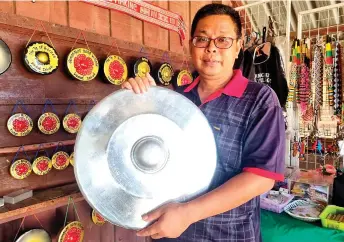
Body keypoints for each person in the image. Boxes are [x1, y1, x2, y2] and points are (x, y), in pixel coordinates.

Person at [121, 3, 285, 242]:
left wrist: (187, 214)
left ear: (239, 47)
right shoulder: (173, 99)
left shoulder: (260, 99)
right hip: (171, 235)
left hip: (230, 236)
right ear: (191, 45)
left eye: (223, 40)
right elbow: (146, 157)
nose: (211, 49)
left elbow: (261, 178)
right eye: (202, 39)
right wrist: (136, 102)